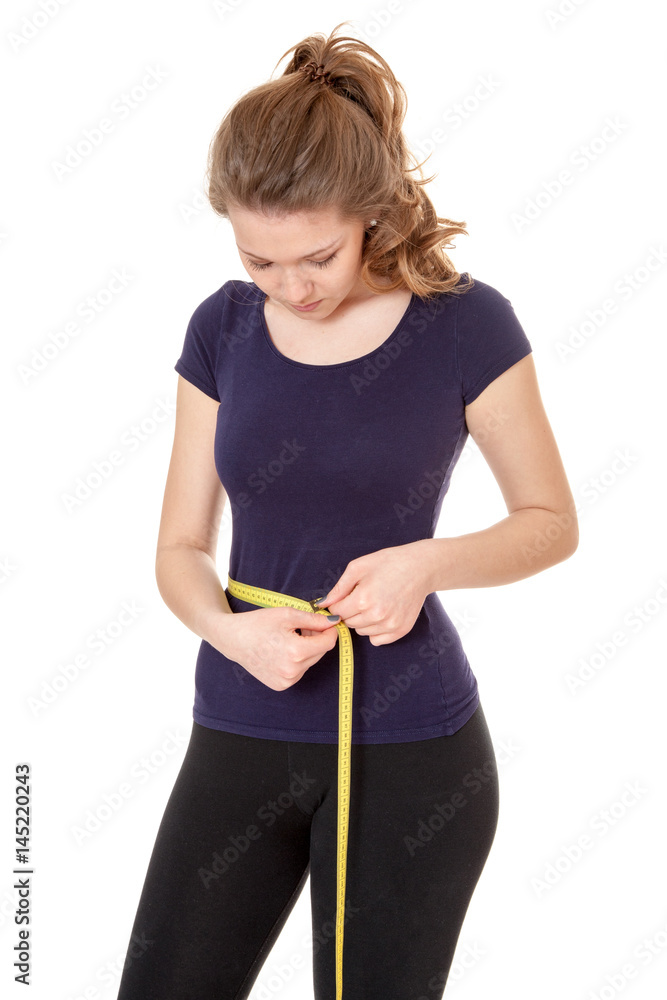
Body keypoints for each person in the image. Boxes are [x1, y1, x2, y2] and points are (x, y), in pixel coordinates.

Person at [116, 22, 579, 1000]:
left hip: (415, 752)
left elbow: (548, 519)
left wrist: (426, 563)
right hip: (240, 716)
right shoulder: (221, 330)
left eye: (315, 257)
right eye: (260, 263)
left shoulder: (466, 324)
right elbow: (180, 544)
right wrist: (227, 632)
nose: (291, 288)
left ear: (368, 211)